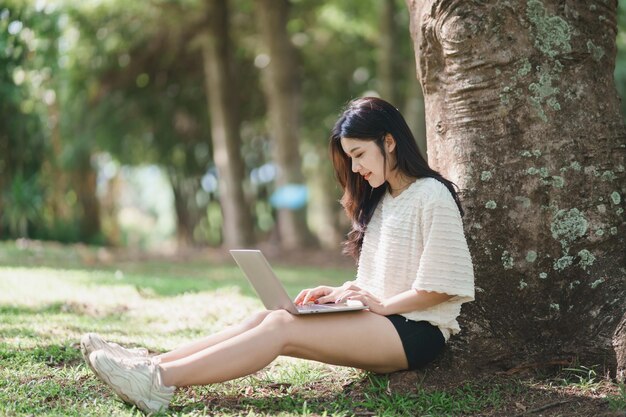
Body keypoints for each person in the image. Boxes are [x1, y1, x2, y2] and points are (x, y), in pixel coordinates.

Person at [81, 96, 475, 414]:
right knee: (267, 316)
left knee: (280, 328)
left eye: (359, 154)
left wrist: (382, 304)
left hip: (416, 332)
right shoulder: (385, 199)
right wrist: (342, 292)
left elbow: (441, 287)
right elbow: (384, 280)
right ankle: (148, 363)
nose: (355, 168)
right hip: (385, 321)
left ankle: (157, 383)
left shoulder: (431, 195)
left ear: (389, 141)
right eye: (349, 158)